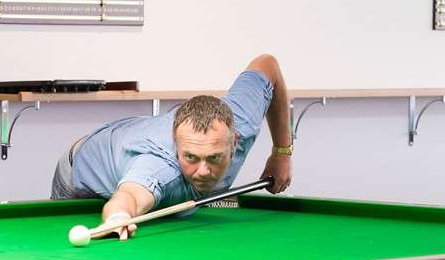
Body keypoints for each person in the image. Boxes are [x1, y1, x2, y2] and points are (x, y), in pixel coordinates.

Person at [51, 54, 293, 240]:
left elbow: (267, 64)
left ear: (234, 143)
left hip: (130, 137)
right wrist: (119, 216)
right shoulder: (158, 168)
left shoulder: (242, 119)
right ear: (177, 148)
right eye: (190, 157)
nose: (202, 171)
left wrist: (281, 152)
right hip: (82, 171)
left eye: (214, 158)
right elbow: (128, 196)